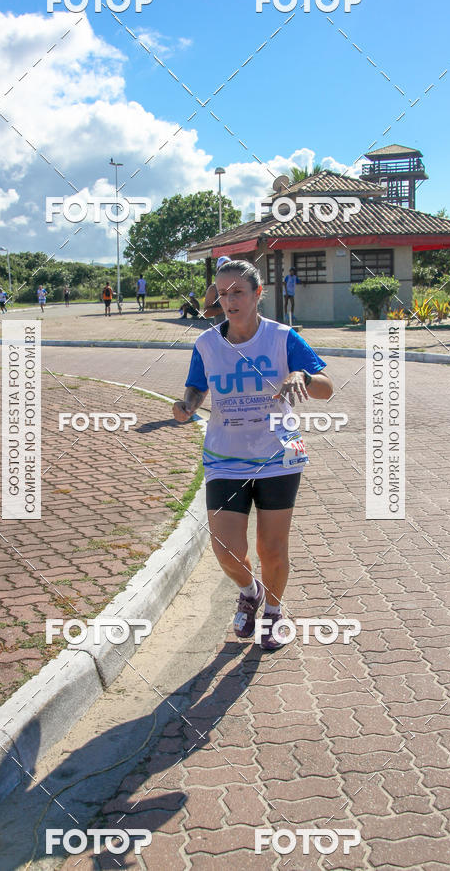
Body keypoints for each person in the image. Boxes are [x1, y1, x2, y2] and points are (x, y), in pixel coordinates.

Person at [172, 259, 333, 650]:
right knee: (226, 548)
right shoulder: (207, 344)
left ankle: (275, 612)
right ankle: (250, 590)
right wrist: (186, 406)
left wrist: (302, 377)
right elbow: (196, 388)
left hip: (278, 455)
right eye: (222, 293)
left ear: (258, 294)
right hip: (225, 456)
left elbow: (327, 387)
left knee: (272, 547)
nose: (229, 300)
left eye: (238, 292)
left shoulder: (282, 338)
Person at [203, 256, 230, 322]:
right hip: (220, 330)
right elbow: (206, 313)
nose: (227, 270)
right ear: (218, 270)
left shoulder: (237, 286)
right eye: (223, 268)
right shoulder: (214, 288)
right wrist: (225, 308)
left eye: (229, 267)